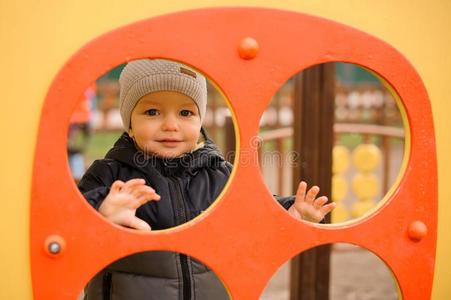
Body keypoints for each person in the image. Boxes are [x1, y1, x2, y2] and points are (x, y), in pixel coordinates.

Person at [78, 59, 336, 300]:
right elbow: (70, 221)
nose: (171, 125)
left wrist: (292, 211)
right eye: (153, 112)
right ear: (130, 124)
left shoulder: (219, 173)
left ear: (200, 120)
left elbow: (255, 211)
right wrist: (102, 209)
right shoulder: (110, 176)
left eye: (185, 113)